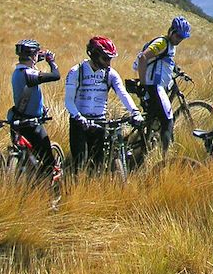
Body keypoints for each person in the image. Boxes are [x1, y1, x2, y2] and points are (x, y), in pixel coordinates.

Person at [65, 37, 144, 170]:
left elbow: (122, 93)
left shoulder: (111, 74)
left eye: (110, 59)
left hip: (100, 122)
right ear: (95, 55)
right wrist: (79, 118)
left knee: (97, 164)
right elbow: (68, 100)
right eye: (105, 59)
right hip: (79, 122)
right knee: (79, 164)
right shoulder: (76, 71)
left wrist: (135, 112)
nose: (109, 63)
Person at [135, 16, 191, 153]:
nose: (179, 40)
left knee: (153, 119)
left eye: (182, 38)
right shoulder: (162, 43)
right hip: (155, 86)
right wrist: (143, 83)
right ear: (171, 31)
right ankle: (166, 156)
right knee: (168, 120)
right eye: (178, 36)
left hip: (158, 85)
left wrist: (176, 69)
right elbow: (143, 57)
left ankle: (145, 147)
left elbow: (165, 60)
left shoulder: (170, 44)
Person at [10, 39, 60, 180]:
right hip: (32, 124)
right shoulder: (30, 75)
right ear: (33, 56)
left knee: (26, 158)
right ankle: (49, 186)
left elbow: (30, 63)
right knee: (48, 159)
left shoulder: (17, 72)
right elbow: (56, 75)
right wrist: (51, 61)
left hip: (17, 121)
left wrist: (39, 57)